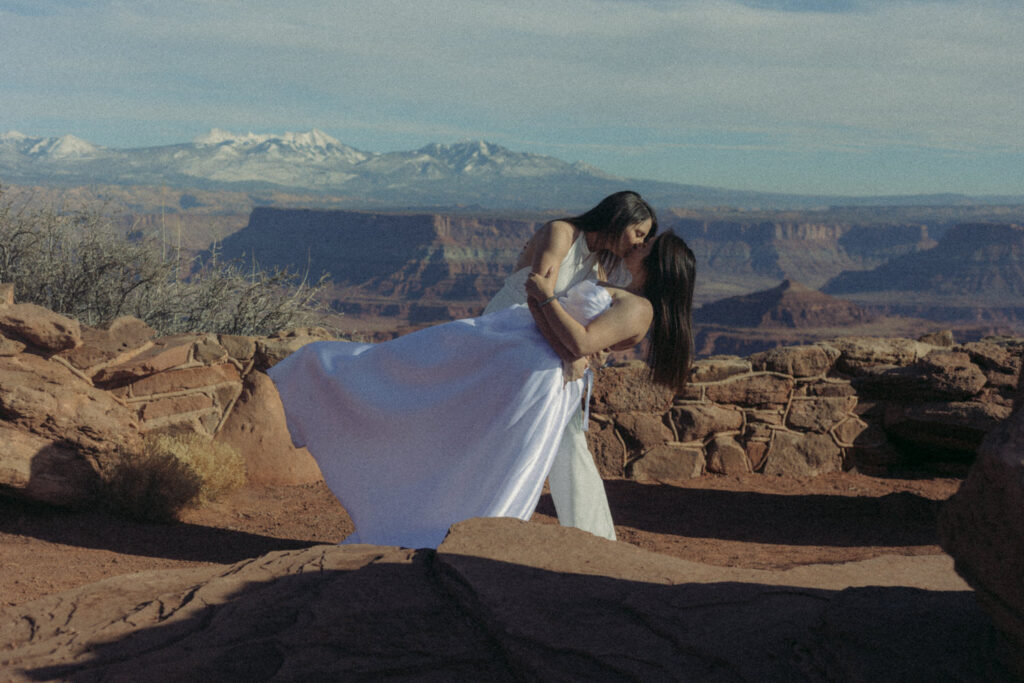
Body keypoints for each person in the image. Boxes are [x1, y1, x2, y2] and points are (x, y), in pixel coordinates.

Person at [268, 232, 695, 550]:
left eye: (646, 246)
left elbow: (581, 343)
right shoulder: (615, 287)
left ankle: (450, 532)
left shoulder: (641, 308)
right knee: (434, 407)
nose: (637, 245)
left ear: (659, 265)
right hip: (510, 357)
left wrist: (545, 299)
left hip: (533, 379)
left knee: (486, 456)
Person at [484, 191, 657, 541]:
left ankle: (592, 536)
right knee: (511, 436)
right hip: (503, 336)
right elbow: (537, 293)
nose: (639, 243)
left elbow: (577, 318)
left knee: (568, 437)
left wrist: (594, 351)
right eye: (638, 233)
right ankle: (494, 524)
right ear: (619, 218)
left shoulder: (597, 264)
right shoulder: (561, 232)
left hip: (545, 352)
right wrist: (572, 354)